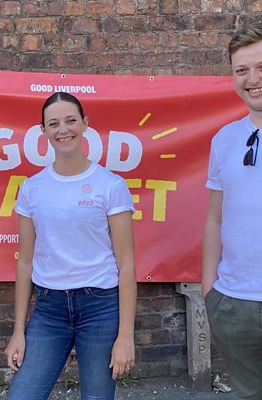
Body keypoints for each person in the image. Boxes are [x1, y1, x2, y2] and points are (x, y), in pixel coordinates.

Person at [5, 92, 137, 400]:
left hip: (100, 307)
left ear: (85, 124)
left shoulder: (110, 185)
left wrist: (126, 336)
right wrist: (18, 331)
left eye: (70, 121)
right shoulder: (32, 188)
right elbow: (25, 263)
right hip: (49, 310)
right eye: (53, 124)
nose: (63, 130)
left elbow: (126, 265)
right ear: (43, 131)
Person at [202, 21, 262, 400]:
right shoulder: (224, 139)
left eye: (261, 67)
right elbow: (214, 217)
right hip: (233, 304)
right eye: (242, 70)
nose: (252, 79)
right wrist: (210, 293)